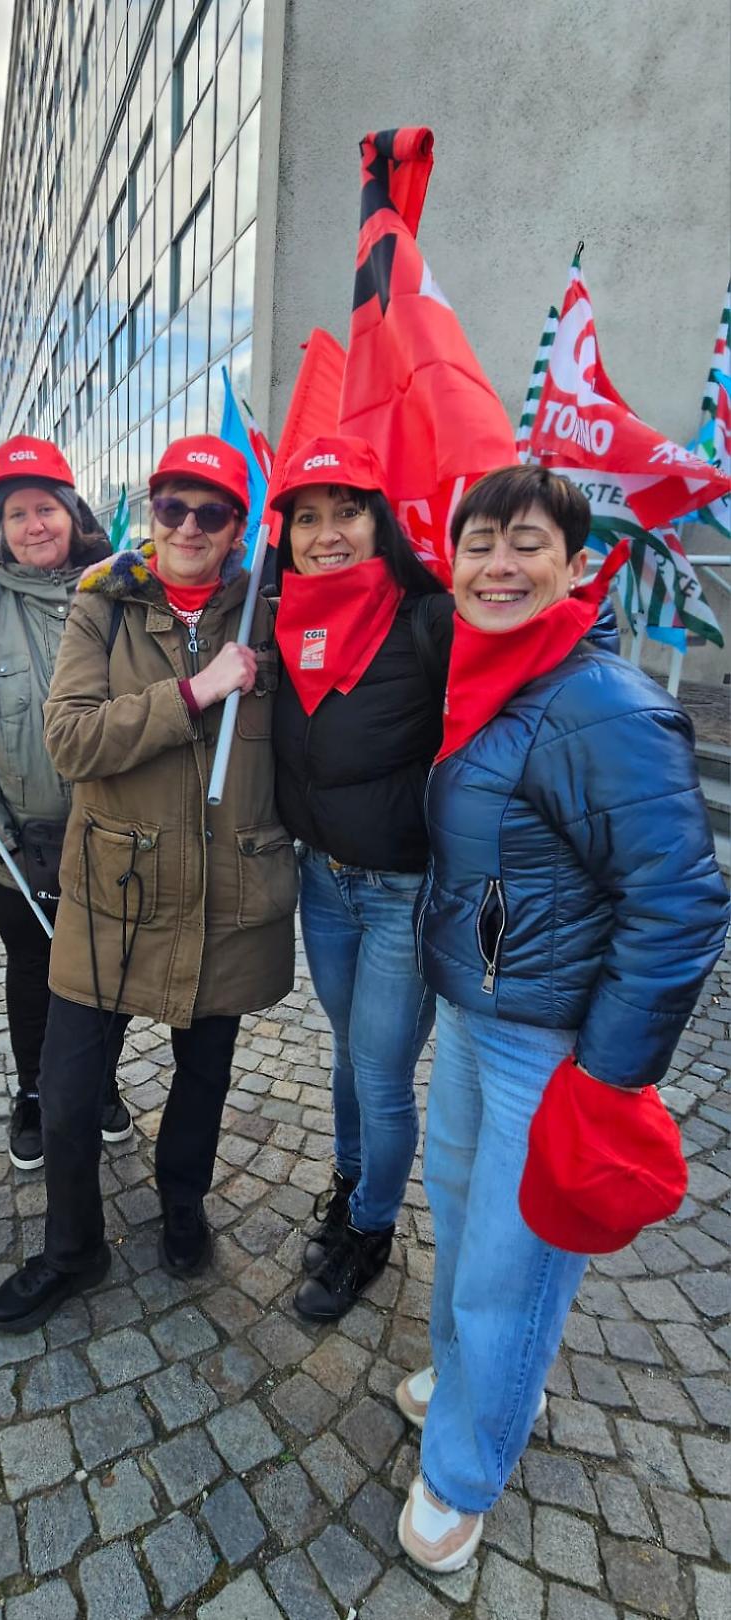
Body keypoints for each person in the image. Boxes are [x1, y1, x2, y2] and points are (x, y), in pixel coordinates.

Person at [394, 464, 729, 1573]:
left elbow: (679, 902)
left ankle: (466, 1468)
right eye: (478, 541)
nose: (498, 564)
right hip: (481, 1013)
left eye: (525, 543)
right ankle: (472, 1386)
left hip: (553, 1043)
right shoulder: (491, 678)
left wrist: (609, 1074)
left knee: (512, 1263)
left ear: (576, 564)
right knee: (462, 1224)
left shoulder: (600, 703)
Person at [0, 435, 298, 1332]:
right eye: (174, 507)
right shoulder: (105, 606)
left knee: (205, 1073)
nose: (190, 527)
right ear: (147, 512)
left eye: (213, 512)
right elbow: (73, 740)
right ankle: (72, 1247)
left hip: (229, 884)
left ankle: (183, 1206)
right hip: (112, 888)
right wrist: (198, 691)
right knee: (72, 1082)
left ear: (241, 527)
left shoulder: (268, 610)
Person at [268, 435, 452, 1321]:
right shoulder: (273, 617)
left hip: (399, 894)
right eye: (308, 517)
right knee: (347, 1052)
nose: (328, 533)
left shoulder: (427, 617)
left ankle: (371, 1225)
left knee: (380, 1072)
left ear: (381, 521)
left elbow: (528, 666)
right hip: (322, 883)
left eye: (348, 512)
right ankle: (350, 1183)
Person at [0, 436, 129, 1171]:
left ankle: (100, 1083)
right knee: (35, 967)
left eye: (46, 509)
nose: (33, 525)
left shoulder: (121, 594)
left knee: (109, 966)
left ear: (73, 514)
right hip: (13, 842)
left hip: (111, 833)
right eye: (16, 514)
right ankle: (37, 1092)